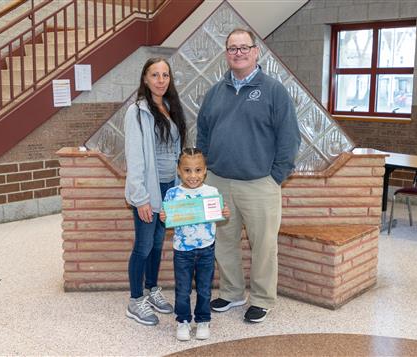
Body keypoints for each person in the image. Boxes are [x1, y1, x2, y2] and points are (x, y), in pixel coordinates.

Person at [196, 28, 301, 323]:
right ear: (226, 54)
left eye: (244, 47)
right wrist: (204, 172)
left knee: (263, 245)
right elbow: (203, 133)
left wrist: (275, 176)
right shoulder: (215, 92)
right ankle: (231, 293)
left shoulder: (274, 91)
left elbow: (289, 137)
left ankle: (262, 298)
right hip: (218, 182)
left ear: (256, 52)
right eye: (232, 48)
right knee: (224, 241)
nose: (238, 53)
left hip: (260, 184)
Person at [124, 57, 187, 326]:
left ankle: (152, 289)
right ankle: (135, 300)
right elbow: (135, 157)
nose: (161, 80)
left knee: (158, 244)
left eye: (165, 75)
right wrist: (140, 198)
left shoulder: (171, 108)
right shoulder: (137, 112)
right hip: (148, 190)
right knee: (143, 245)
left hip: (169, 188)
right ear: (145, 79)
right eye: (155, 75)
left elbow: (176, 153)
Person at [160, 148, 230, 341]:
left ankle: (203, 320)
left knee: (204, 288)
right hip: (182, 251)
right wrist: (164, 218)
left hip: (207, 249)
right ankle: (182, 321)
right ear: (179, 171)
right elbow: (168, 221)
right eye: (187, 170)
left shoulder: (212, 192)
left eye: (198, 170)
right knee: (182, 289)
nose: (193, 176)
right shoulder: (173, 194)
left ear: (205, 170)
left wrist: (224, 214)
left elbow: (220, 216)